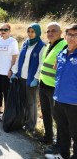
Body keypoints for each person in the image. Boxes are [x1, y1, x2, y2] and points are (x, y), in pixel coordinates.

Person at [45, 24, 77, 159]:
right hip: (58, 98)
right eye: (69, 34)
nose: (72, 38)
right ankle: (62, 155)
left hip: (74, 102)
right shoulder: (62, 53)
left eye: (75, 35)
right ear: (65, 36)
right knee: (62, 129)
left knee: (75, 133)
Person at [11, 23, 45, 132]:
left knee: (31, 102)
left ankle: (31, 125)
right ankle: (22, 121)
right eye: (29, 31)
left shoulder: (41, 46)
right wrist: (14, 72)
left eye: (32, 32)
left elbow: (41, 64)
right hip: (21, 77)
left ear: (38, 32)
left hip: (31, 79)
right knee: (22, 100)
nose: (30, 34)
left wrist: (36, 78)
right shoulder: (25, 43)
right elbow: (19, 59)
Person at [39, 22, 67, 153]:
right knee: (46, 113)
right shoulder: (48, 45)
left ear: (61, 32)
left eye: (53, 31)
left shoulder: (64, 46)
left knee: (58, 118)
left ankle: (59, 144)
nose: (50, 33)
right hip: (43, 84)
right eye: (48, 31)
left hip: (54, 87)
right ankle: (48, 137)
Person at [0, 23, 19, 119]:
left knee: (6, 92)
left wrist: (11, 70)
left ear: (9, 31)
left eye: (5, 30)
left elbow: (14, 57)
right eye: (1, 29)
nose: (3, 31)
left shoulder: (13, 41)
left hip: (6, 71)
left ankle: (6, 113)